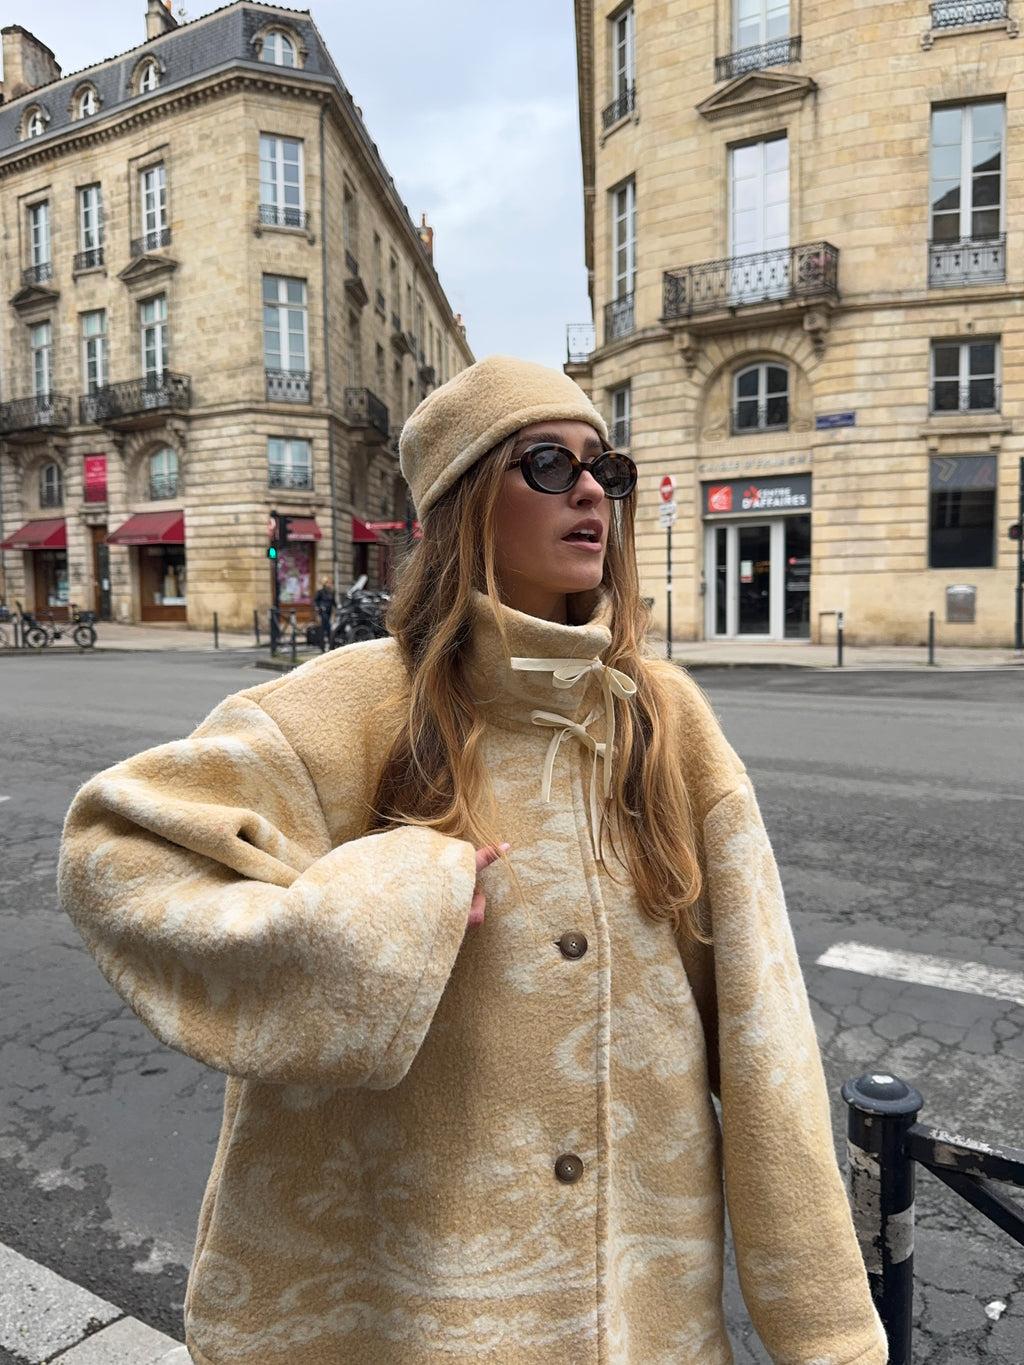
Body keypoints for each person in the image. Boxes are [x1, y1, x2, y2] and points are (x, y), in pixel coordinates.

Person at [58, 356, 886, 1365]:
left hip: (635, 1310)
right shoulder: (352, 703)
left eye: (604, 469)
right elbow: (117, 854)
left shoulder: (667, 723)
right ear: (460, 504)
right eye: (546, 463)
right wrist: (382, 904)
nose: (590, 491)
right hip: (412, 1307)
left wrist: (828, 1332)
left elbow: (765, 1038)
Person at [312, 577, 335, 651]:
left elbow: (334, 602)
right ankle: (324, 645)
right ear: (324, 584)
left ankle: (329, 645)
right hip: (323, 612)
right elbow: (315, 601)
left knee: (326, 628)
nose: (329, 584)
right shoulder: (320, 592)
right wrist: (317, 607)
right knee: (326, 627)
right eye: (328, 583)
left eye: (330, 583)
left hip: (329, 611)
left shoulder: (331, 592)